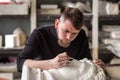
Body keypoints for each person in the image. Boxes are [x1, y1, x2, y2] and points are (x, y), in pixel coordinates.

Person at [17, 7, 105, 72]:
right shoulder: (40, 34)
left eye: (74, 33)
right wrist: (51, 64)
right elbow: (20, 63)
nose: (69, 37)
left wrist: (95, 64)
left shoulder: (81, 35)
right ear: (57, 23)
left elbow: (86, 60)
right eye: (66, 31)